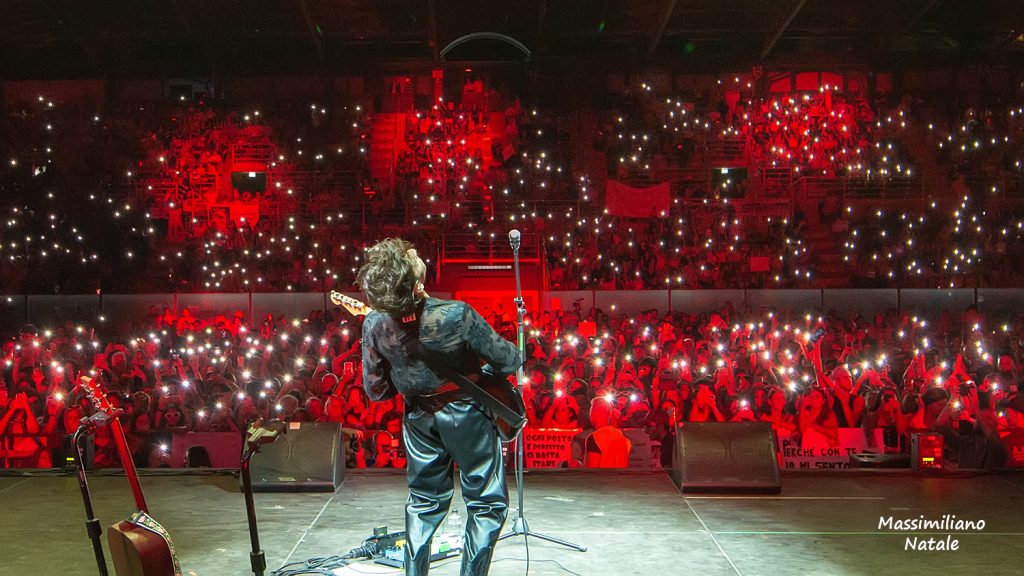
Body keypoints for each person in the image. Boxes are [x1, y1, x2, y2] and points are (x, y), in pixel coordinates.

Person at [358, 238, 522, 576]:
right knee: (487, 504)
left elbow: (376, 391)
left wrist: (408, 375)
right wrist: (483, 375)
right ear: (415, 281)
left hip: (419, 418)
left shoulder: (374, 324)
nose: (416, 255)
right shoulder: (456, 315)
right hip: (466, 414)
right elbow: (509, 359)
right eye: (411, 256)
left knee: (423, 503)